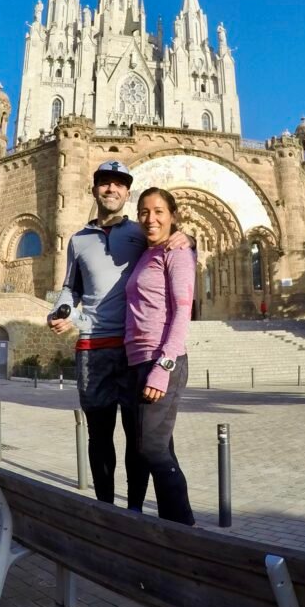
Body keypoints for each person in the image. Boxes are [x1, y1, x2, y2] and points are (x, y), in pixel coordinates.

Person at [48, 161, 192, 507]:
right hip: (92, 347)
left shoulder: (141, 234)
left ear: (127, 193)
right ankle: (105, 510)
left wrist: (189, 237)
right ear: (94, 189)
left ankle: (135, 511)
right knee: (98, 437)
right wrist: (62, 309)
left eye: (119, 184)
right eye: (104, 183)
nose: (111, 189)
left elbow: (170, 244)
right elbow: (71, 287)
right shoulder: (78, 240)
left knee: (137, 438)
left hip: (132, 351)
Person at [122, 187, 196, 525]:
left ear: (172, 215)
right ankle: (161, 524)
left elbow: (183, 312)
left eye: (159, 211)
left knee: (151, 449)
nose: (150, 218)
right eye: (144, 212)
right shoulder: (146, 254)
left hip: (162, 361)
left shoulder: (177, 253)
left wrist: (163, 368)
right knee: (152, 446)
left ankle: (184, 531)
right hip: (137, 360)